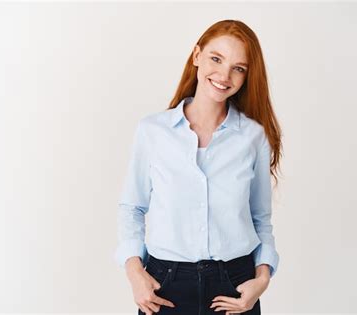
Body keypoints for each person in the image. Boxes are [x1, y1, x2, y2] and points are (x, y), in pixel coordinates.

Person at [114, 19, 282, 315]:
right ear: (196, 56)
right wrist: (135, 274)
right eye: (216, 59)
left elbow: (261, 218)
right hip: (165, 287)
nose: (224, 75)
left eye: (238, 68)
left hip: (235, 288)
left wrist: (262, 279)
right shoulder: (153, 131)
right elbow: (132, 207)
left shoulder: (253, 137)